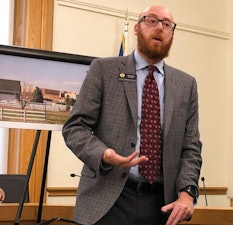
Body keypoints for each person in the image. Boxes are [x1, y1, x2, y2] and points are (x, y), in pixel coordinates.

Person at [62, 5, 202, 225]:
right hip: (107, 200)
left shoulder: (186, 85)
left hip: (161, 205)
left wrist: (187, 193)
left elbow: (191, 147)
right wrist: (104, 154)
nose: (159, 28)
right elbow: (75, 128)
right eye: (152, 21)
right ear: (136, 28)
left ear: (172, 35)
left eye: (167, 25)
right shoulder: (103, 70)